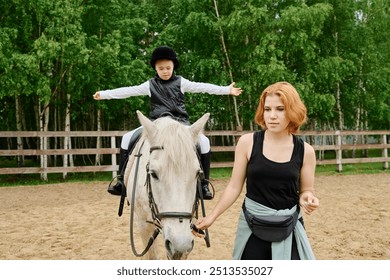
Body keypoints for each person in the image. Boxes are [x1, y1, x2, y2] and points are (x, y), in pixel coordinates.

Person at [93, 46, 242, 200]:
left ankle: (203, 184)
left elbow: (202, 87)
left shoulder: (181, 82)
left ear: (173, 67)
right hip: (156, 125)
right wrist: (104, 94)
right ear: (155, 69)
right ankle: (122, 181)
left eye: (168, 68)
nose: (165, 71)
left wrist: (226, 90)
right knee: (126, 138)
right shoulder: (150, 85)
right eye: (161, 68)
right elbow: (128, 91)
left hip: (180, 124)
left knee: (204, 142)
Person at [193, 81, 319, 259]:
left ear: (293, 111)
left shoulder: (306, 151)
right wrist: (212, 217)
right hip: (252, 227)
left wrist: (308, 198)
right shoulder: (247, 143)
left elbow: (307, 190)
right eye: (267, 109)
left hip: (289, 227)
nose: (272, 116)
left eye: (280, 109)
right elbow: (234, 186)